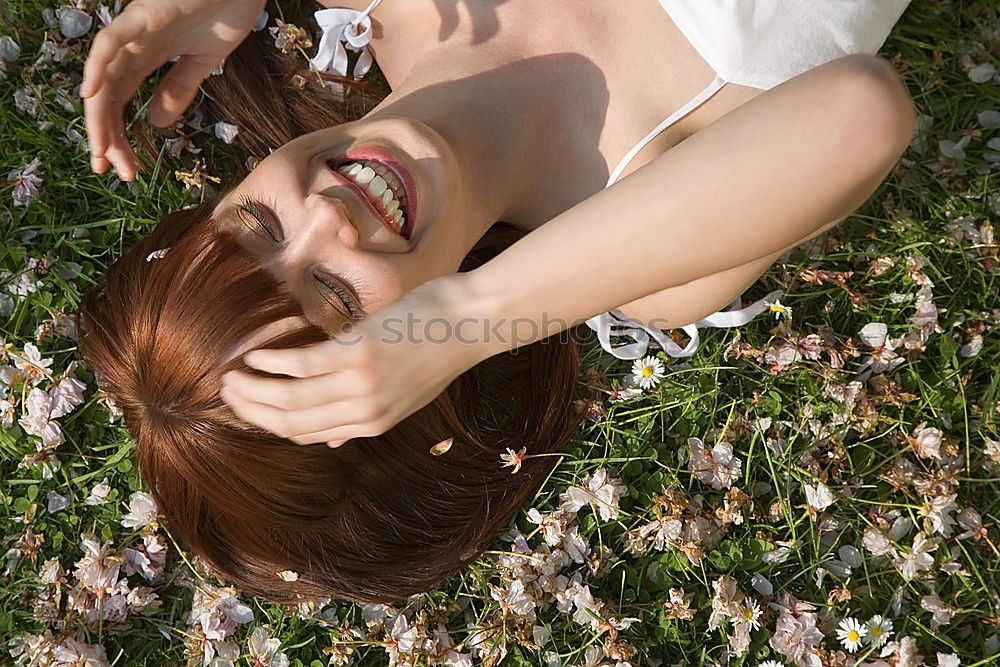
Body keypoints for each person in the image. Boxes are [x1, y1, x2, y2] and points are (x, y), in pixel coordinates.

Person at [74, 0, 916, 604]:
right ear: (405, 365)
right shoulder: (660, 252)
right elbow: (862, 112)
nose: (325, 216)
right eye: (330, 295)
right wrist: (468, 320)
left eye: (255, 221)